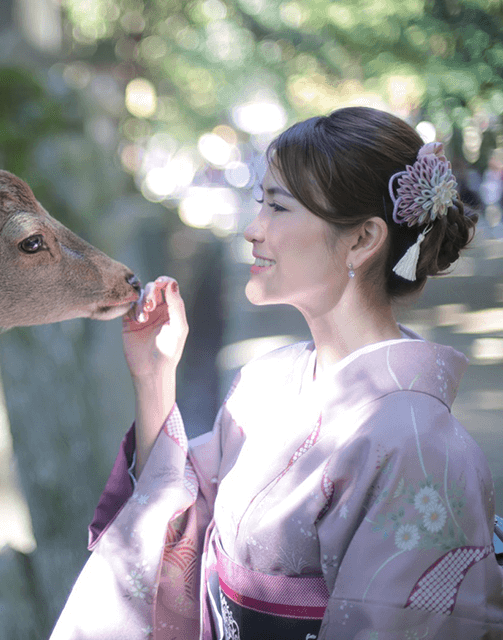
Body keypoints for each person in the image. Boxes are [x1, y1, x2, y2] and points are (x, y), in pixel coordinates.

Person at [50, 106, 503, 639]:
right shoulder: (267, 381)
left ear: (362, 239)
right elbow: (176, 524)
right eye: (259, 202)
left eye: (277, 207)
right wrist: (154, 379)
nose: (252, 230)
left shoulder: (422, 452)